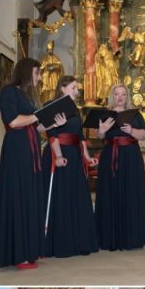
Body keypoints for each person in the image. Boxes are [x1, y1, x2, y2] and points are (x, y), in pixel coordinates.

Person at [0, 57, 56, 269]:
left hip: (30, 152)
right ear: (27, 73)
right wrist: (38, 115)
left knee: (30, 198)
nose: (39, 78)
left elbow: (32, 127)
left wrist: (51, 122)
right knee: (19, 198)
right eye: (37, 73)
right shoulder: (9, 91)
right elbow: (13, 121)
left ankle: (30, 250)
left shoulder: (26, 97)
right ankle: (18, 255)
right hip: (17, 152)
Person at [41, 76, 100, 259]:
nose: (77, 91)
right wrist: (58, 155)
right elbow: (52, 134)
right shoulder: (52, 105)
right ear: (63, 88)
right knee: (62, 198)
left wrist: (88, 158)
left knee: (77, 198)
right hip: (59, 155)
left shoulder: (75, 109)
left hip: (74, 157)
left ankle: (79, 243)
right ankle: (61, 244)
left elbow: (80, 137)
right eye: (74, 88)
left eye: (77, 88)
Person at [96, 84, 145, 251]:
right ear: (112, 96)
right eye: (117, 94)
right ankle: (109, 237)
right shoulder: (105, 114)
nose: (120, 97)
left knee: (130, 194)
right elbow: (100, 137)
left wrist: (132, 130)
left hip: (131, 157)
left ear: (127, 97)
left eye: (123, 94)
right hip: (110, 156)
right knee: (109, 194)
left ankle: (131, 237)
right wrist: (102, 130)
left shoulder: (134, 114)